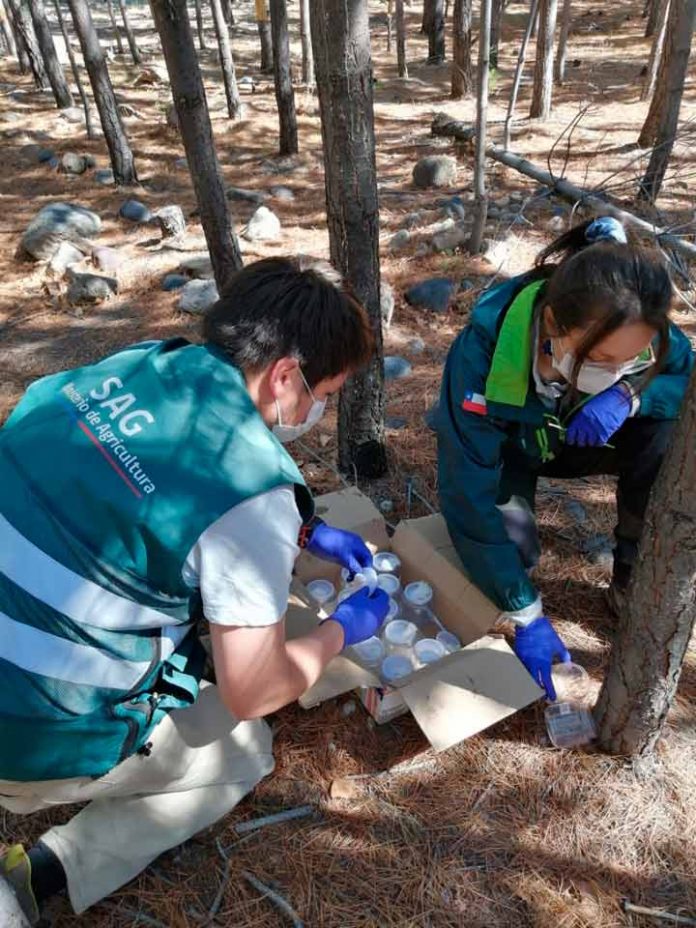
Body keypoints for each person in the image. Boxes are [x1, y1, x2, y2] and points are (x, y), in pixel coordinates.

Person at [0, 256, 390, 924]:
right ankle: (53, 866)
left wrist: (299, 535)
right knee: (242, 750)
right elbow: (253, 689)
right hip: (24, 732)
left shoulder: (128, 368)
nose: (318, 412)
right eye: (324, 393)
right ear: (285, 376)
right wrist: (340, 630)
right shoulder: (247, 484)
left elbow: (119, 495)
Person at [436, 217, 694, 699]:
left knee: (667, 435)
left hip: (592, 438)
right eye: (601, 362)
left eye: (630, 361)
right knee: (511, 556)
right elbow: (466, 488)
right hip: (518, 448)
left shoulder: (643, 322)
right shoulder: (482, 353)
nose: (617, 371)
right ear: (554, 325)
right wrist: (526, 612)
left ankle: (631, 575)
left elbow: (686, 379)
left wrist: (631, 397)